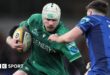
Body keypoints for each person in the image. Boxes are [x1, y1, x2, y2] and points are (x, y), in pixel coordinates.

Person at [6, 3, 83, 75]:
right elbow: (16, 29)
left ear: (59, 18)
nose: (51, 23)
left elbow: (78, 61)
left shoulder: (64, 35)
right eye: (48, 19)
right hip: (32, 66)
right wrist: (10, 41)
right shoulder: (35, 20)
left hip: (53, 72)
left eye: (54, 20)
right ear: (42, 17)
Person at [48, 0, 110, 75]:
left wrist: (57, 38)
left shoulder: (91, 19)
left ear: (90, 12)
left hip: (101, 69)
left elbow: (69, 38)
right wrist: (94, 62)